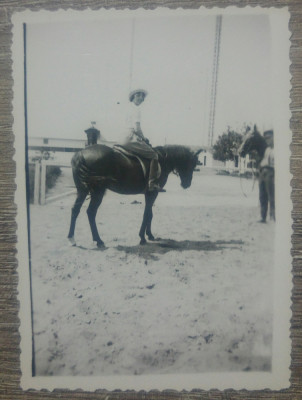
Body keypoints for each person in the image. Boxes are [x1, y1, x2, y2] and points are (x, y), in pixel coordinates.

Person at [122, 89, 165, 192]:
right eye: (138, 95)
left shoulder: (126, 108)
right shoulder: (136, 109)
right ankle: (152, 183)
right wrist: (144, 138)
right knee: (154, 155)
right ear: (133, 97)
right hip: (130, 137)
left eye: (142, 96)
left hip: (121, 137)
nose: (141, 98)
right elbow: (137, 129)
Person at [258, 129, 275, 222]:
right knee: (262, 195)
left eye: (269, 138)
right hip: (263, 173)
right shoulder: (267, 150)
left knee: (271, 195)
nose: (267, 140)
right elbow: (264, 161)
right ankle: (263, 216)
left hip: (271, 172)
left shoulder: (277, 150)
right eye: (266, 139)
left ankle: (273, 216)